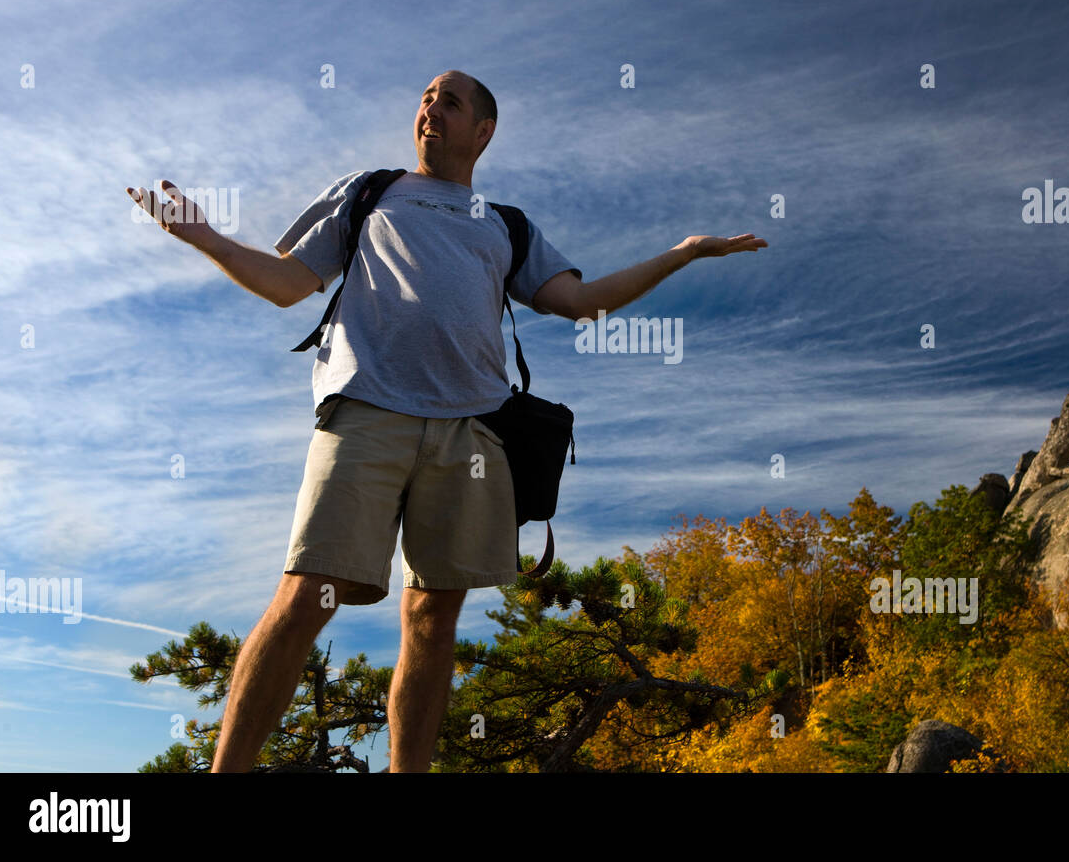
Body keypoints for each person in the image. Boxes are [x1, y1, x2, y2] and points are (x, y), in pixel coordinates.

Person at [127, 70, 767, 772]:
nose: (431, 108)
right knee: (307, 592)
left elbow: (583, 302)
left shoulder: (506, 225)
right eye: (426, 98)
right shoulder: (369, 192)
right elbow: (287, 283)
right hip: (366, 412)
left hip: (471, 433)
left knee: (431, 619)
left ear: (483, 131)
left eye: (451, 102)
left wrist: (683, 253)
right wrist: (207, 238)